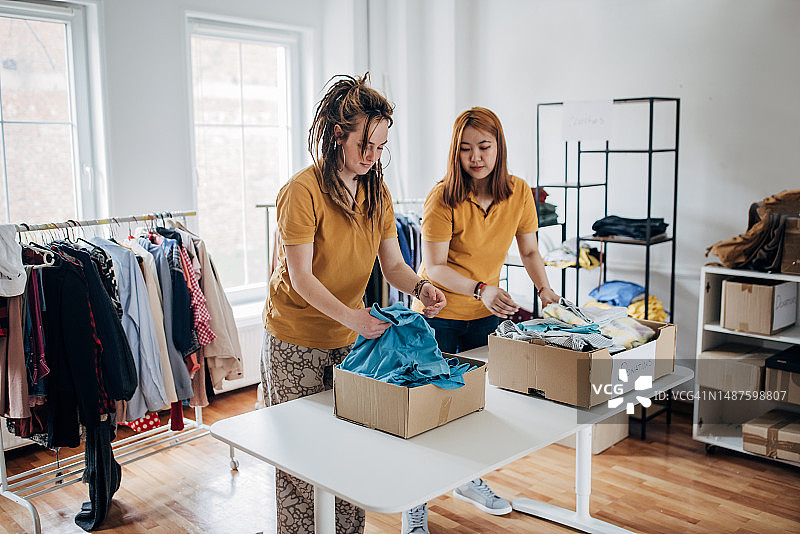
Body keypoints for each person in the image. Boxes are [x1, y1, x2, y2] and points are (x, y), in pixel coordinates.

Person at [261, 73, 446, 534]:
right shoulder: (300, 193)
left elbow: (395, 266)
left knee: (350, 449)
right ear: (337, 133)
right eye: (366, 145)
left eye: (381, 148)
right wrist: (353, 317)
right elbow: (301, 279)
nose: (372, 156)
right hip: (295, 340)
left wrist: (422, 288)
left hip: (349, 335)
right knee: (301, 459)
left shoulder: (377, 194)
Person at [405, 107, 559, 533]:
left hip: (484, 318)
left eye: (484, 147)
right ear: (455, 152)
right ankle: (414, 502)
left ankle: (467, 480)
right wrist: (480, 288)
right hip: (440, 317)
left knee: (475, 408)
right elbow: (432, 267)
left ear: (499, 148)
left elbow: (529, 251)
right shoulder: (443, 197)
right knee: (429, 410)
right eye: (466, 148)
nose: (476, 157)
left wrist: (544, 289)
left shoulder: (519, 192)